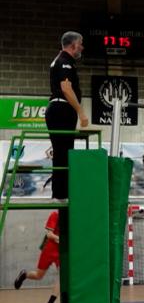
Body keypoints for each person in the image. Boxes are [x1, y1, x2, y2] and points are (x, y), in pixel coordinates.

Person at [45, 31, 89, 200]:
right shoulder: (64, 62)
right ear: (73, 45)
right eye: (81, 43)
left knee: (63, 153)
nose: (82, 47)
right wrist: (81, 112)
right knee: (63, 153)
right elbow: (66, 88)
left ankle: (61, 193)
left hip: (60, 111)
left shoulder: (62, 60)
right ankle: (61, 195)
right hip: (61, 110)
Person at [13, 211, 61, 303]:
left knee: (62, 277)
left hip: (61, 252)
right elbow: (49, 234)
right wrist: (61, 239)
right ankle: (24, 274)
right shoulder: (55, 214)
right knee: (38, 276)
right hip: (49, 249)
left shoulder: (73, 217)